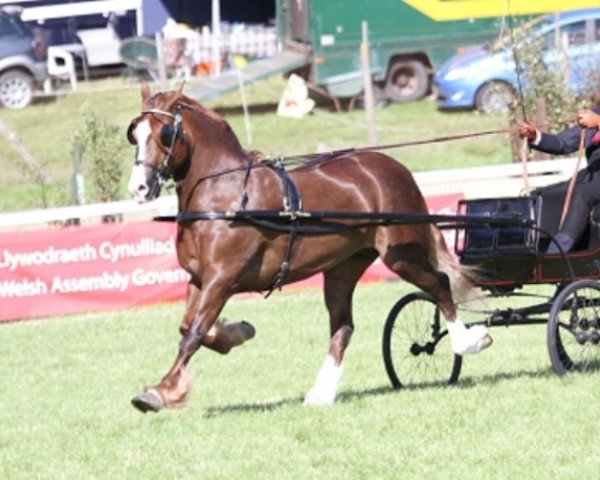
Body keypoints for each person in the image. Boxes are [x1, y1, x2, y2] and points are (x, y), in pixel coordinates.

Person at [519, 108, 600, 253]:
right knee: (544, 194)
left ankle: (557, 252)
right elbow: (563, 143)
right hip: (593, 174)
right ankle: (533, 249)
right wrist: (534, 136)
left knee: (582, 193)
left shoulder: (596, 118)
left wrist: (598, 122)